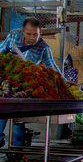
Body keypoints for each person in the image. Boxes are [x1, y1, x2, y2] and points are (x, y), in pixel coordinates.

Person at [0, 17, 72, 147]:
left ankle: (17, 149)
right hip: (7, 82)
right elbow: (1, 52)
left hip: (25, 86)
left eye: (36, 34)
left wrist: (64, 82)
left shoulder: (43, 47)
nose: (32, 38)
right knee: (2, 110)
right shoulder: (13, 36)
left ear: (40, 33)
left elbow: (52, 66)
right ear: (22, 31)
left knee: (19, 117)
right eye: (29, 34)